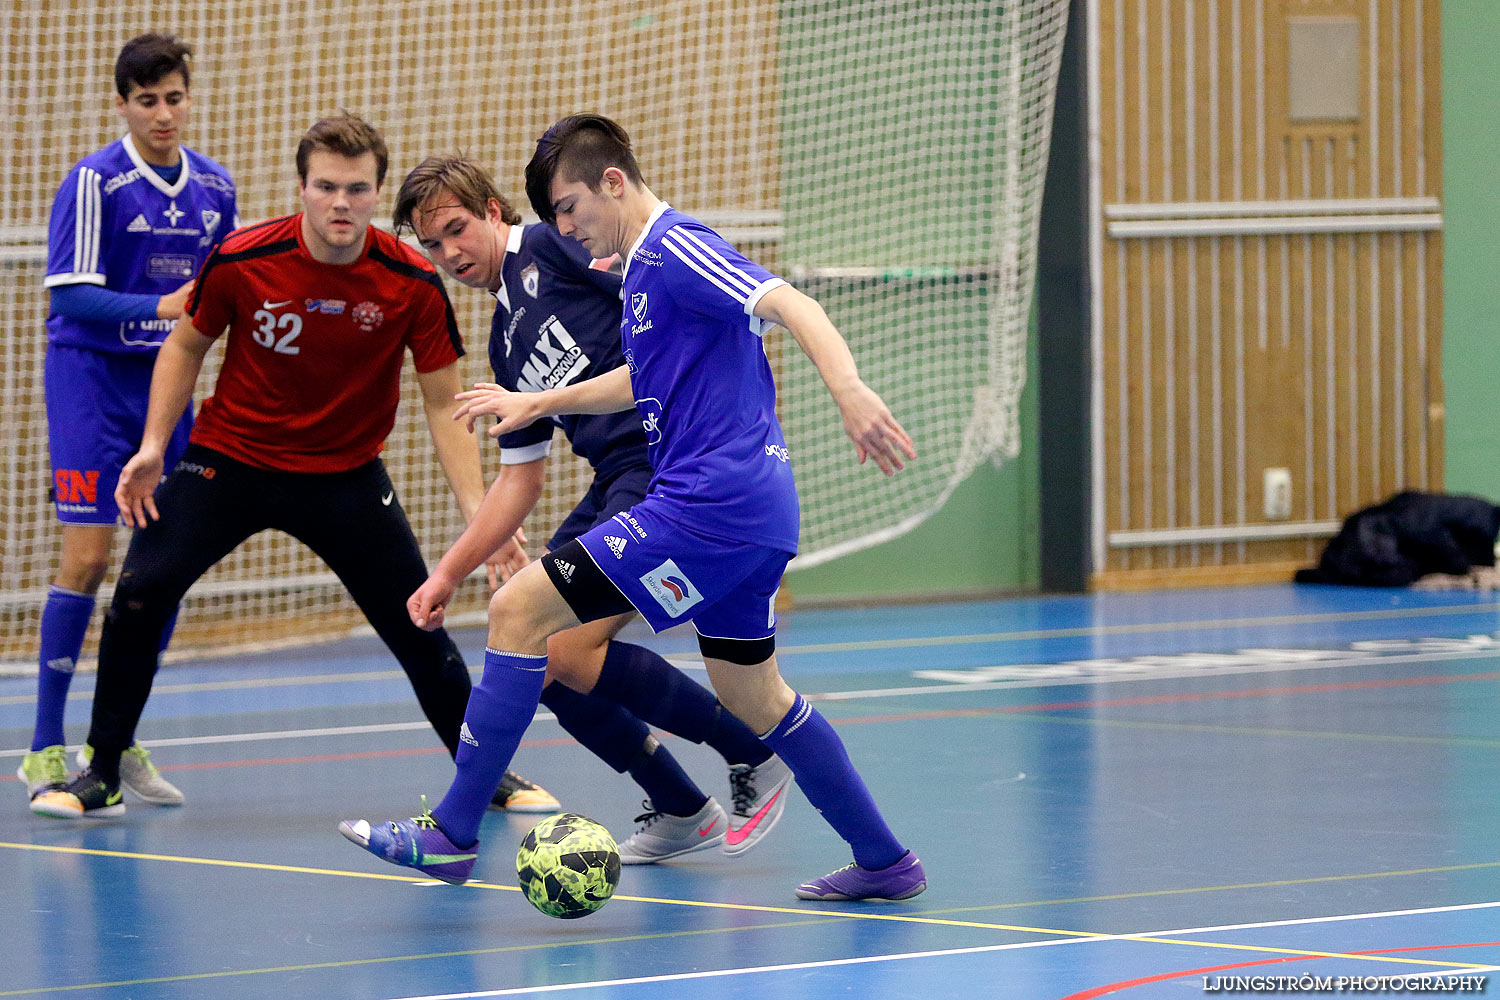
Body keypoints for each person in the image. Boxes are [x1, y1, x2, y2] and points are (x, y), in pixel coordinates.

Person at [343, 115, 926, 902]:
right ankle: (887, 860)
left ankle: (451, 836)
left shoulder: (672, 246)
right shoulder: (636, 274)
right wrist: (539, 400)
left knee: (520, 613)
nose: (568, 228)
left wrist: (850, 391)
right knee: (756, 697)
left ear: (611, 184)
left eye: (571, 208)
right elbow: (635, 378)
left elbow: (790, 303)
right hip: (747, 516)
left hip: (701, 505)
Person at [31, 114, 556, 819]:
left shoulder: (409, 280)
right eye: (327, 187)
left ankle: (488, 772)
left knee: (418, 617)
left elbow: (443, 403)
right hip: (230, 462)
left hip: (345, 476)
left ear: (376, 194)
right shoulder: (243, 258)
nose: (342, 202)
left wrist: (478, 516)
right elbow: (185, 346)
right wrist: (155, 446)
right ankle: (101, 771)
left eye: (358, 188)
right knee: (140, 589)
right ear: (302, 188)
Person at [388, 154, 794, 863]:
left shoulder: (552, 247)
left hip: (667, 466)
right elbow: (520, 481)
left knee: (559, 642)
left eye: (457, 229)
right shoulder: (504, 341)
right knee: (537, 654)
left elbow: (653, 289)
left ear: (492, 211)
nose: (450, 254)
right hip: (613, 480)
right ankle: (678, 804)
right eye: (432, 245)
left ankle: (749, 750)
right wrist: (449, 572)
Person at [19, 34, 238, 809]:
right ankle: (45, 746)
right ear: (123, 104)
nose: (163, 113)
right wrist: (158, 306)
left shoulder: (217, 188)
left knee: (161, 564)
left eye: (174, 97)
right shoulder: (95, 183)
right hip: (92, 386)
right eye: (147, 101)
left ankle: (116, 739)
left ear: (188, 96)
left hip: (167, 393)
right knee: (86, 558)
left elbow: (221, 308)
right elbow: (69, 294)